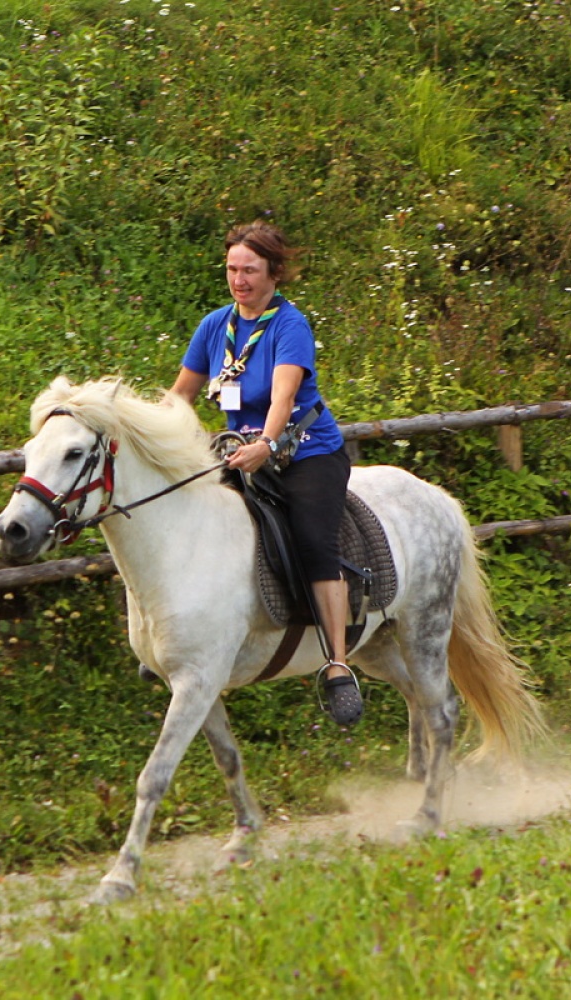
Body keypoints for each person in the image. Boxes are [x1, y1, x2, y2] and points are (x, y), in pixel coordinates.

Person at [169, 221, 361, 726]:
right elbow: (180, 396)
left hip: (305, 452)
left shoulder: (290, 326)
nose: (239, 280)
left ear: (274, 273)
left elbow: (283, 397)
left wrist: (267, 445)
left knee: (314, 542)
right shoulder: (215, 326)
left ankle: (338, 663)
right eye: (232, 269)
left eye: (250, 270)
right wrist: (149, 436)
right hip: (239, 452)